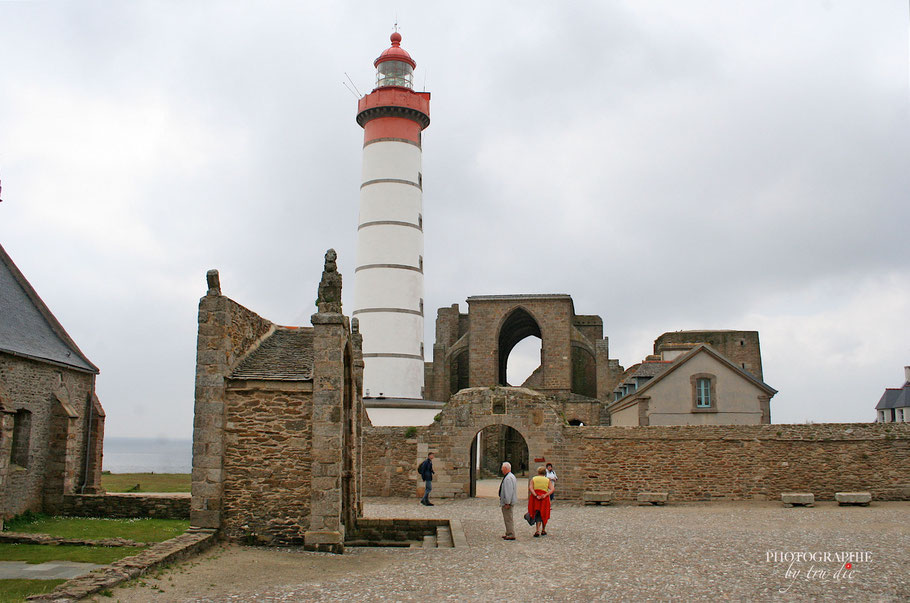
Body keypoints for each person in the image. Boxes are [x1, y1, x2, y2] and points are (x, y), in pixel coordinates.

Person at [527, 466, 554, 537]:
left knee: (537, 513)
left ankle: (537, 530)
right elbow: (552, 489)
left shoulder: (534, 479)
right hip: (544, 498)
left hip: (535, 499)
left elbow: (531, 488)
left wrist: (535, 495)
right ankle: (543, 529)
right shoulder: (547, 480)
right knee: (544, 513)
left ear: (538, 472)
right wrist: (545, 495)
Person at [499, 461, 518, 540]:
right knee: (508, 518)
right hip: (509, 502)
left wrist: (507, 502)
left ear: (506, 468)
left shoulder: (508, 478)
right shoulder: (510, 476)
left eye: (502, 468)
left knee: (508, 518)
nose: (501, 470)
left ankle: (510, 534)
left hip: (508, 503)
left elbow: (508, 491)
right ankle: (508, 532)